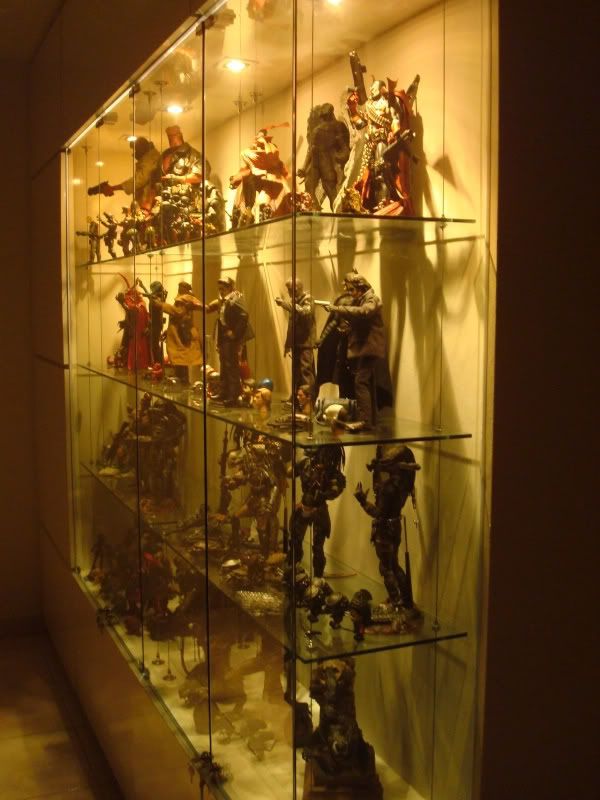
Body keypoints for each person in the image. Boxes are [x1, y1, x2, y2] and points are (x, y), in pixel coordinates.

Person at [324, 275, 392, 428]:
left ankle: (365, 420)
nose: (350, 293)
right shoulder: (361, 300)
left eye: (352, 289)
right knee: (368, 382)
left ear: (361, 288)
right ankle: (371, 419)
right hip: (365, 348)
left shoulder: (371, 299)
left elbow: (364, 312)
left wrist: (337, 308)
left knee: (360, 382)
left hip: (370, 348)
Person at [289, 445, 345, 578]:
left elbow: (335, 490)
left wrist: (323, 494)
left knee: (317, 547)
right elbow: (290, 472)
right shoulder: (305, 463)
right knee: (295, 540)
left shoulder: (331, 472)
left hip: (319, 510)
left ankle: (318, 578)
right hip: (303, 505)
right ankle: (293, 569)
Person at [205, 277, 254, 406]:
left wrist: (235, 333)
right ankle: (224, 391)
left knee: (231, 366)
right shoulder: (225, 300)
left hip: (231, 338)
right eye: (219, 289)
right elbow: (222, 320)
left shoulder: (235, 298)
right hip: (225, 336)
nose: (221, 291)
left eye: (223, 289)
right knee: (224, 365)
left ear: (230, 288)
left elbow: (244, 315)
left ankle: (233, 395)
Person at [89, 137, 161, 213]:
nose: (135, 153)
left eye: (136, 149)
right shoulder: (149, 159)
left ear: (142, 148)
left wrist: (113, 188)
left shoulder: (150, 160)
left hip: (149, 203)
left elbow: (140, 179)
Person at [275, 278, 316, 403]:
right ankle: (296, 398)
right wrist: (288, 344)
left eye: (290, 289)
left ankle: (307, 400)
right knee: (296, 372)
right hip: (297, 343)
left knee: (305, 372)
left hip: (305, 343)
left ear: (296, 288)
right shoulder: (295, 302)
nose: (288, 292)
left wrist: (285, 304)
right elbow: (291, 326)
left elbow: (305, 312)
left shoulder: (308, 299)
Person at [155, 280, 202, 383]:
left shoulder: (185, 300)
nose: (179, 289)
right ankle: (180, 377)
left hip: (181, 334)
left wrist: (162, 305)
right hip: (178, 332)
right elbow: (176, 318)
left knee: (182, 358)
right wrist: (167, 331)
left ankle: (183, 379)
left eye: (181, 287)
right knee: (179, 358)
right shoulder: (183, 300)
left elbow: (178, 312)